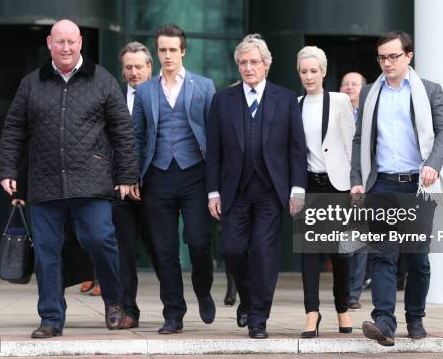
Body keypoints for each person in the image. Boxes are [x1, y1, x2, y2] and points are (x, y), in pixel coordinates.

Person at [0, 19, 138, 338]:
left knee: (101, 240)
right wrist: (6, 169)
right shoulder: (31, 83)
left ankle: (114, 302)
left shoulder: (102, 80)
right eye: (59, 42)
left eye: (71, 42)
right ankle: (50, 318)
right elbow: (14, 129)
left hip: (92, 181)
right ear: (49, 43)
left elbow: (122, 131)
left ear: (80, 44)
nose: (65, 48)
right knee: (47, 252)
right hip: (45, 184)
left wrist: (127, 174)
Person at [350, 31, 443, 346]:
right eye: (382, 57)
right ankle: (384, 321)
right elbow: (359, 141)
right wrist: (357, 177)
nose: (386, 63)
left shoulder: (429, 91)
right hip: (381, 184)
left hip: (417, 186)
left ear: (409, 56)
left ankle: (415, 318)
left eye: (393, 56)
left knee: (418, 259)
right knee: (384, 257)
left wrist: (433, 163)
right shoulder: (370, 93)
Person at [206, 34, 307, 339]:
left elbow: (296, 148)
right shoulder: (223, 100)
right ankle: (248, 301)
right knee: (232, 249)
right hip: (234, 190)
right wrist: (213, 191)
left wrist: (297, 189)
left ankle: (257, 319)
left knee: (264, 254)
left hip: (270, 191)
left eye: (254, 62)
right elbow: (214, 150)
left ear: (266, 65)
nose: (248, 68)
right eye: (243, 63)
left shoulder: (285, 98)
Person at [133, 24, 216, 334]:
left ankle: (203, 289)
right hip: (157, 176)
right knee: (164, 249)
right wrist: (132, 176)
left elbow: (215, 137)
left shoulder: (204, 86)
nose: (167, 55)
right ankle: (173, 313)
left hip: (195, 174)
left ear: (183, 51)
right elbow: (137, 136)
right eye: (162, 50)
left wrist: (216, 183)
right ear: (158, 52)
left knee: (198, 241)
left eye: (172, 49)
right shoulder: (144, 90)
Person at [296, 46, 355, 338]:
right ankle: (311, 313)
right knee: (309, 252)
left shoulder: (340, 101)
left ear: (324, 71)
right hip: (308, 184)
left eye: (313, 71)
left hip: (338, 184)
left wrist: (357, 183)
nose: (309, 76)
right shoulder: (295, 104)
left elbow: (351, 143)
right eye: (304, 71)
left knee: (341, 252)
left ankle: (342, 308)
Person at [113, 41, 158, 329]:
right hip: (119, 190)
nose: (133, 72)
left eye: (138, 67)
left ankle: (173, 310)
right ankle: (128, 310)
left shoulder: (161, 96)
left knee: (161, 251)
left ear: (149, 67)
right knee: (123, 253)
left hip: (154, 187)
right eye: (128, 67)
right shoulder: (113, 97)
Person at [340, 71, 370, 310]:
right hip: (335, 183)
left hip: (361, 182)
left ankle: (353, 294)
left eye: (354, 84)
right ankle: (342, 289)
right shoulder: (332, 114)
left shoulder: (370, 115)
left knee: (357, 242)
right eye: (345, 84)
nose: (349, 87)